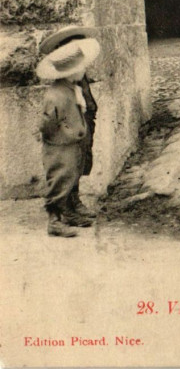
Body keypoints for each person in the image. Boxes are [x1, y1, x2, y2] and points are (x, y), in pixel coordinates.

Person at [36, 27, 101, 237]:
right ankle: (56, 219)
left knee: (75, 170)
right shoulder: (58, 93)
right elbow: (49, 122)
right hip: (62, 144)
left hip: (74, 139)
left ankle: (71, 209)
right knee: (61, 178)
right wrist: (61, 134)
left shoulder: (73, 88)